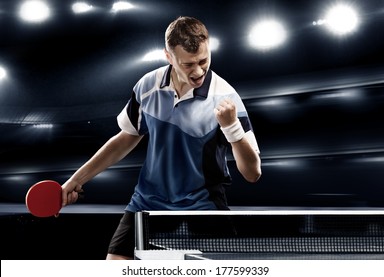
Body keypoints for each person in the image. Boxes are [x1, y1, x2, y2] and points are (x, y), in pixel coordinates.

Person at [61, 16, 261, 260]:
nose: (198, 71)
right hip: (147, 201)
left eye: (203, 60)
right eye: (188, 65)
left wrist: (232, 128)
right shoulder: (147, 86)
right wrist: (76, 179)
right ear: (169, 57)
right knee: (114, 267)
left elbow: (252, 173)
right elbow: (126, 138)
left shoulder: (226, 97)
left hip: (202, 204)